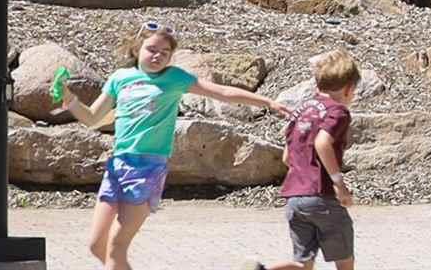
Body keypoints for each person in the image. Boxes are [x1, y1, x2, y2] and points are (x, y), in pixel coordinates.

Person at [60, 21, 290, 270]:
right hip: (117, 166)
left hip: (147, 168)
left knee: (117, 246)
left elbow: (221, 91)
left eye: (165, 53)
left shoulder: (174, 78)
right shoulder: (120, 78)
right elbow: (92, 119)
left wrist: (267, 102)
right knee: (97, 246)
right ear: (137, 48)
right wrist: (69, 100)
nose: (157, 55)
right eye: (151, 49)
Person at [260, 49, 359, 270]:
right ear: (349, 89)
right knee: (345, 260)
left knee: (302, 263)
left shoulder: (301, 111)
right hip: (321, 196)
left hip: (294, 198)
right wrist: (338, 183)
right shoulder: (338, 112)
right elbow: (322, 143)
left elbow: (287, 157)